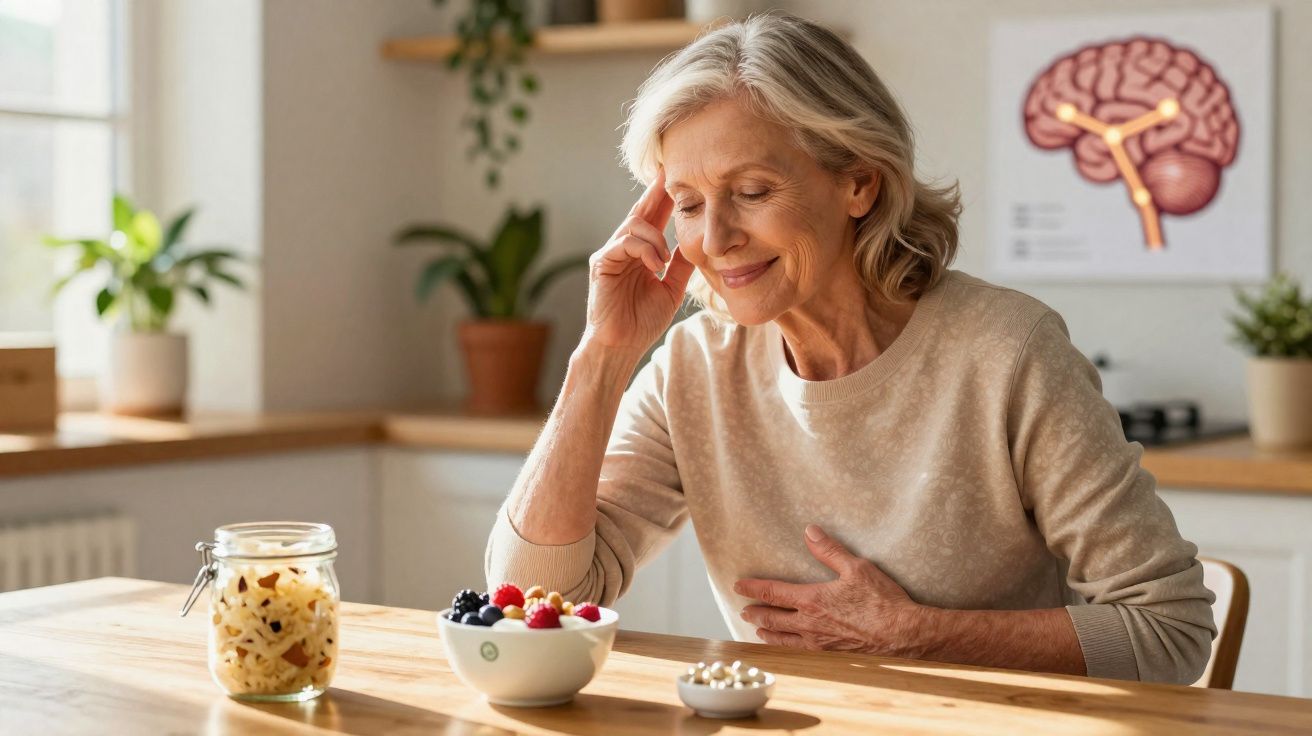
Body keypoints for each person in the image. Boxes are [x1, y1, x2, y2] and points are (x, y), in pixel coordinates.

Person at [485, 12, 1215, 684]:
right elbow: (533, 598)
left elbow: (1168, 632)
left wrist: (920, 634)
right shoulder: (691, 369)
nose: (714, 239)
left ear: (858, 183)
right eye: (688, 203)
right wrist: (603, 355)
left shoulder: (1008, 353)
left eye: (752, 190)